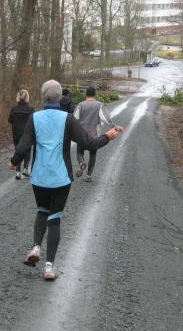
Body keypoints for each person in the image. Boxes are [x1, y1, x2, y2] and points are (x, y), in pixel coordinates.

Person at [8, 79, 123, 281]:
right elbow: (88, 143)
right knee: (54, 219)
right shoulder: (68, 119)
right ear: (60, 97)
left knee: (42, 211)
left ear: (43, 97)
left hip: (39, 177)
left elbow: (23, 146)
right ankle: (49, 268)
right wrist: (107, 137)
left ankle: (36, 247)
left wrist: (13, 162)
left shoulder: (35, 118)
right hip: (61, 178)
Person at [73, 86, 115, 182]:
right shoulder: (99, 105)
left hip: (82, 135)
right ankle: (88, 176)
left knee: (79, 152)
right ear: (95, 94)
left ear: (86, 94)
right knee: (93, 154)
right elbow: (105, 118)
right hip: (94, 136)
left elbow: (74, 119)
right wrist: (113, 126)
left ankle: (82, 162)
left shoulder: (80, 105)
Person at [8, 89, 35, 179]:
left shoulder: (14, 109)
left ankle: (18, 172)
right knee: (27, 151)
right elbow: (34, 121)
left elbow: (10, 120)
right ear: (27, 97)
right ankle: (25, 170)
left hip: (16, 133)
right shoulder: (31, 109)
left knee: (18, 150)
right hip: (27, 134)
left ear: (18, 97)